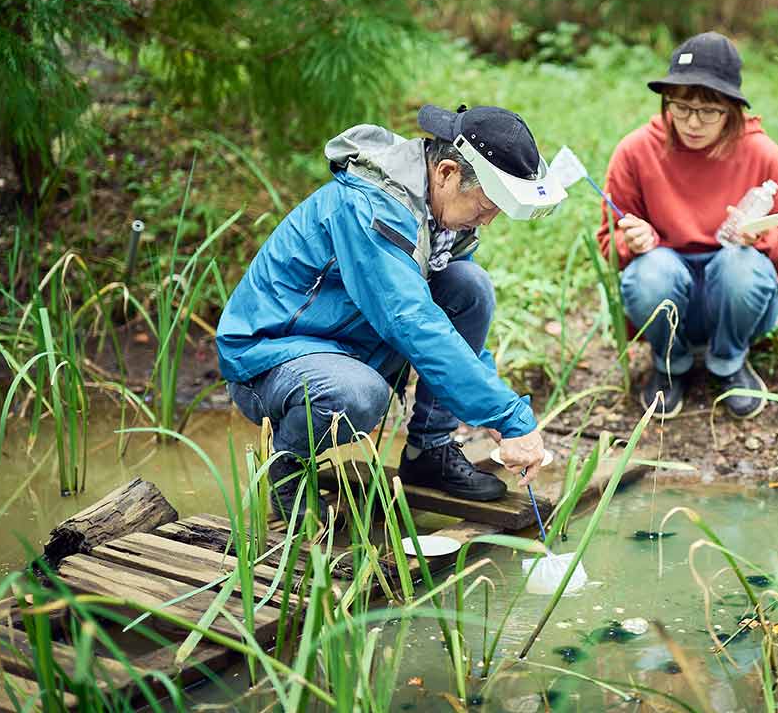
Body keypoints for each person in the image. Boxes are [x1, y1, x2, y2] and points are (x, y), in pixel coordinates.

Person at [216, 104, 566, 524]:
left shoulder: (435, 217)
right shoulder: (372, 207)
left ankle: (428, 451)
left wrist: (494, 407)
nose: (487, 222)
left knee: (468, 286)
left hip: (347, 343)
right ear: (447, 173)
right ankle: (288, 467)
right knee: (358, 394)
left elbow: (450, 333)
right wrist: (509, 417)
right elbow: (412, 321)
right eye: (486, 206)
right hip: (270, 358)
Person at [597, 32, 778, 419]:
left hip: (734, 301)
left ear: (732, 109)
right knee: (650, 271)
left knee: (740, 266)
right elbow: (610, 244)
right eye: (681, 108)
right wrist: (635, 241)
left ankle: (728, 363)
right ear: (667, 102)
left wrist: (762, 237)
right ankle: (670, 364)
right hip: (666, 292)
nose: (693, 123)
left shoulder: (761, 155)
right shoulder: (636, 151)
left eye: (709, 111)